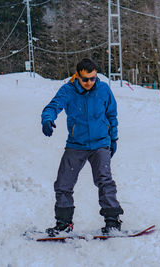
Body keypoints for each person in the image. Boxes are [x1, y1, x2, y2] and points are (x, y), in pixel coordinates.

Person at [41, 58, 123, 236]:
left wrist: (113, 139)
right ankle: (63, 223)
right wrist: (47, 119)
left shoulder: (103, 90)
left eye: (93, 78)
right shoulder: (68, 91)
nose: (89, 83)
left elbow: (112, 115)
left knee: (105, 180)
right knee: (63, 183)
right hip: (76, 144)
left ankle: (112, 221)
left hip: (101, 142)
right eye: (85, 79)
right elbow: (53, 107)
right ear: (77, 76)